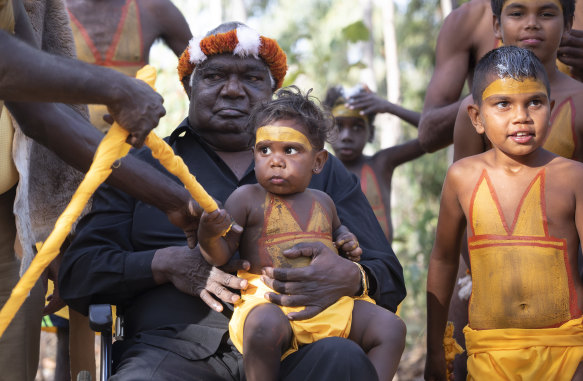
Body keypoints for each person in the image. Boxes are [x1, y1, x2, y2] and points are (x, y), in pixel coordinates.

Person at [59, 21, 406, 380]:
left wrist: (352, 277)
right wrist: (165, 263)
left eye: (252, 78)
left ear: (273, 91)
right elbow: (78, 274)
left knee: (343, 358)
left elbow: (388, 273)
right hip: (170, 352)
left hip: (299, 349)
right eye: (215, 76)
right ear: (189, 87)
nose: (233, 90)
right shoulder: (140, 168)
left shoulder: (321, 170)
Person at [0, 0, 198, 379]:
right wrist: (114, 87)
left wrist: (170, 197)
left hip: (17, 209)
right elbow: (9, 68)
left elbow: (39, 114)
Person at [198, 87, 406, 381]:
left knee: (391, 328)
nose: (276, 160)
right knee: (262, 327)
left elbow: (338, 232)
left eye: (290, 150)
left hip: (330, 302)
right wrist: (208, 235)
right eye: (264, 149)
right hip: (270, 301)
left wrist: (347, 242)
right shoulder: (246, 198)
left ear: (318, 162)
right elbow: (219, 254)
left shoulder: (324, 201)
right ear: (253, 154)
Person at [425, 45, 583, 381]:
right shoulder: (462, 178)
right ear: (477, 118)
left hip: (569, 348)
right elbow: (443, 261)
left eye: (534, 103)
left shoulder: (574, 176)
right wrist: (436, 348)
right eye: (503, 104)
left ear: (551, 110)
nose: (521, 116)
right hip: (490, 352)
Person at [418, 0, 583, 153]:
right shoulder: (471, 17)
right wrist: (487, 96)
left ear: (567, 25)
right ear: (497, 26)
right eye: (518, 14)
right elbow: (430, 136)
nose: (532, 23)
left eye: (546, 14)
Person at [63, 0, 192, 132]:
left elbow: (201, 70)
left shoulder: (153, 4)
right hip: (64, 139)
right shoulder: (50, 4)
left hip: (133, 142)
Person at [324, 85, 424, 243]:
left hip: (381, 267)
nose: (346, 136)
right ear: (326, 131)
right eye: (338, 126)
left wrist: (389, 107)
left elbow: (437, 134)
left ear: (371, 133)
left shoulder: (381, 164)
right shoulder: (316, 171)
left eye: (357, 127)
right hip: (334, 266)